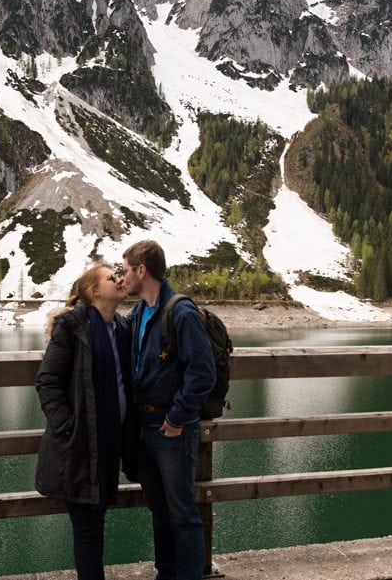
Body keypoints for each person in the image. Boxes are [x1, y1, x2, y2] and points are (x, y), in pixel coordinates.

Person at [120, 240, 217, 580]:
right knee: (159, 510)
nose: (123, 278)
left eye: (126, 271)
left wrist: (176, 417)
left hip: (171, 428)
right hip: (146, 425)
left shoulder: (180, 311)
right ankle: (167, 573)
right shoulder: (140, 312)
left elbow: (203, 372)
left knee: (182, 512)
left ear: (141, 270)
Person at [35, 262, 137, 580]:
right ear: (94, 291)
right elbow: (48, 382)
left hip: (108, 443)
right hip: (80, 446)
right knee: (87, 531)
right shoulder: (73, 326)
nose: (119, 279)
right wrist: (67, 427)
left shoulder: (121, 329)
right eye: (111, 277)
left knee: (97, 524)